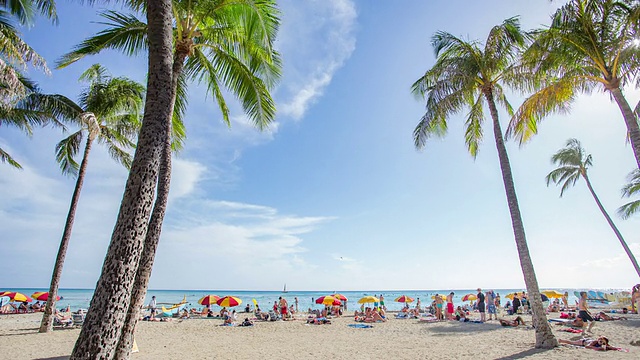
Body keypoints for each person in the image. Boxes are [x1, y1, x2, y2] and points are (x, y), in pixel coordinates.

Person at [559, 336, 623, 351]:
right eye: (600, 341)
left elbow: (610, 347)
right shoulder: (595, 342)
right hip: (583, 342)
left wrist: (616, 348)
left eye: (603, 342)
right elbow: (587, 346)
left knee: (572, 342)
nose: (601, 343)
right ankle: (561, 340)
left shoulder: (604, 344)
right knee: (571, 343)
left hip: (587, 341)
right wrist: (596, 348)